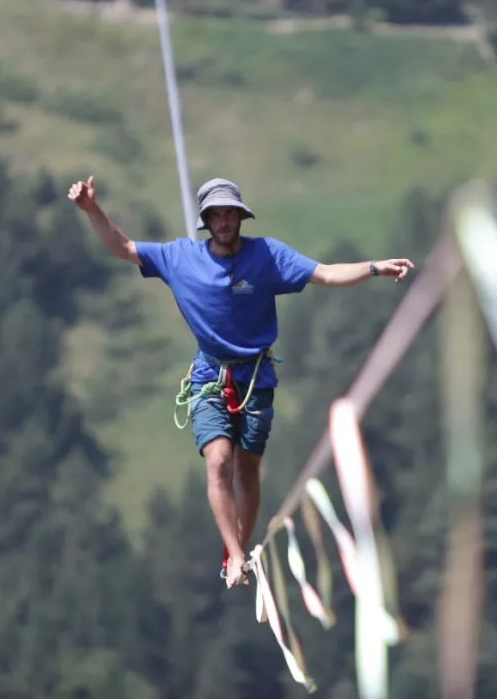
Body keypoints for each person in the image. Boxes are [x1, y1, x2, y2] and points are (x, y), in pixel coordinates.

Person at [68, 175, 415, 589]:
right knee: (219, 461)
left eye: (230, 213)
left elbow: (325, 274)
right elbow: (122, 247)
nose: (224, 221)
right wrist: (91, 209)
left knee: (248, 468)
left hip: (256, 376)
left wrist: (375, 268)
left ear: (240, 216)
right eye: (216, 214)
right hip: (209, 376)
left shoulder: (266, 256)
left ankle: (241, 546)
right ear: (206, 221)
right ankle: (232, 557)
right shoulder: (180, 258)